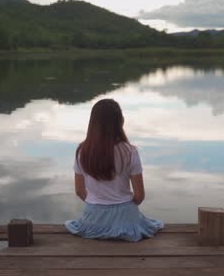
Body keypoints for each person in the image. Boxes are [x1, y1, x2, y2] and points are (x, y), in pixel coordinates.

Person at [65, 98, 163, 242]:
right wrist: (122, 207)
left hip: (94, 217)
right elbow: (139, 196)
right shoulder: (130, 152)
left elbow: (79, 191)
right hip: (126, 216)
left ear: (93, 123)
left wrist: (97, 203)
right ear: (120, 122)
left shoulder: (82, 151)